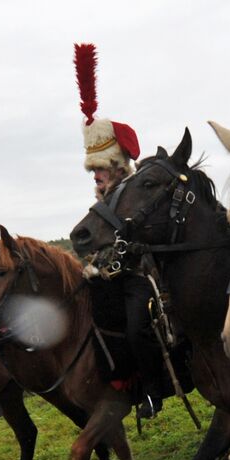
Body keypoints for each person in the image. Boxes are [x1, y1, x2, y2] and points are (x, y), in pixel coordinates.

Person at [74, 43, 169, 418]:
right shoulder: (99, 202)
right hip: (108, 281)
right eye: (92, 169)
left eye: (100, 168)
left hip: (141, 273)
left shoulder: (132, 196)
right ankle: (117, 385)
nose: (96, 175)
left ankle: (153, 389)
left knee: (136, 328)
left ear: (116, 164)